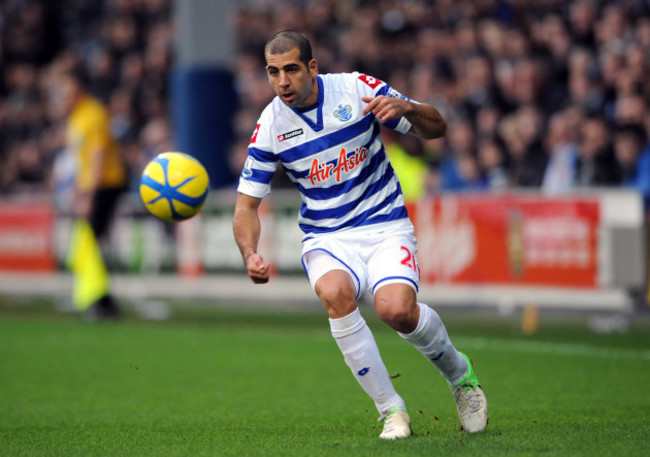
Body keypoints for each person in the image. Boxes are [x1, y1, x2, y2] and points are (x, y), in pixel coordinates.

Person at [233, 31, 488, 439]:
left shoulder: (357, 89)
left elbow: (436, 129)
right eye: (273, 72)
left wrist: (407, 107)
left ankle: (461, 377)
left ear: (312, 68)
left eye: (292, 70)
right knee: (335, 294)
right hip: (326, 236)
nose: (282, 81)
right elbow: (246, 205)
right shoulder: (270, 126)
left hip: (384, 223)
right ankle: (392, 411)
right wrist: (250, 253)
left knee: (396, 311)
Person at [56, 70, 127, 320]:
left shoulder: (93, 114)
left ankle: (100, 301)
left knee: (92, 241)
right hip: (91, 187)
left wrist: (89, 195)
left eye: (66, 92)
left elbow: (98, 157)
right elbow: (80, 159)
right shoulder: (76, 118)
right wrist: (78, 188)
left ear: (78, 91)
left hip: (105, 185)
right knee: (90, 241)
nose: (62, 97)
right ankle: (99, 299)